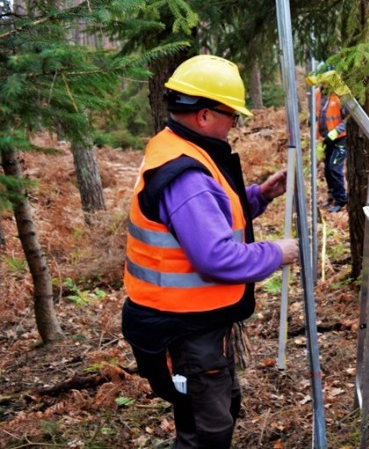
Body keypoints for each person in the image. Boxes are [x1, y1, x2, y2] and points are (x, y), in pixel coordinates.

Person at [121, 54, 300, 448]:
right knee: (207, 430)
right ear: (203, 115)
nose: (234, 124)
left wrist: (259, 195)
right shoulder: (186, 175)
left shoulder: (176, 147)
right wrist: (278, 252)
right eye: (231, 115)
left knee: (214, 409)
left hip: (189, 324)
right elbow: (215, 256)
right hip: (184, 329)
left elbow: (203, 219)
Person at [316, 85, 348, 213]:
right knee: (327, 169)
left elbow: (350, 117)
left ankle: (341, 200)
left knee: (334, 167)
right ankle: (332, 197)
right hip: (326, 138)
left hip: (340, 138)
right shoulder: (318, 93)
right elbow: (316, 112)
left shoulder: (340, 92)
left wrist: (336, 131)